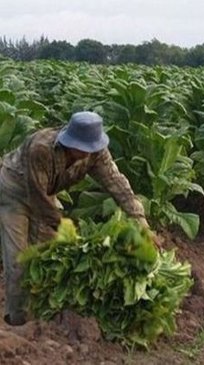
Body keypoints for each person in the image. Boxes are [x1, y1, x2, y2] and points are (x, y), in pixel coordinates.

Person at [0, 111, 152, 326]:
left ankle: (45, 317)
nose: (85, 153)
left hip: (45, 192)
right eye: (80, 148)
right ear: (67, 140)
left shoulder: (96, 152)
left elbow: (116, 182)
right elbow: (36, 195)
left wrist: (139, 218)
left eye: (89, 149)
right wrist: (62, 224)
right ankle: (18, 320)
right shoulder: (41, 148)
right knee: (19, 259)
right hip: (15, 191)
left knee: (50, 254)